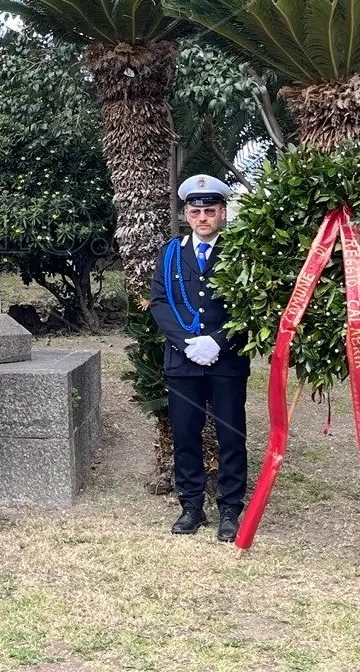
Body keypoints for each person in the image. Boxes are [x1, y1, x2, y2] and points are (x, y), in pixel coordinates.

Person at [150, 175, 250, 542]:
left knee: (231, 435)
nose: (203, 217)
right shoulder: (171, 252)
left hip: (227, 361)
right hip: (184, 360)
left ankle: (229, 509)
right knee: (186, 435)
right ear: (186, 214)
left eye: (210, 211)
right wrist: (187, 343)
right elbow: (160, 303)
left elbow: (250, 306)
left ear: (223, 213)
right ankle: (191, 506)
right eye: (196, 211)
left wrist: (218, 342)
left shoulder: (238, 251)